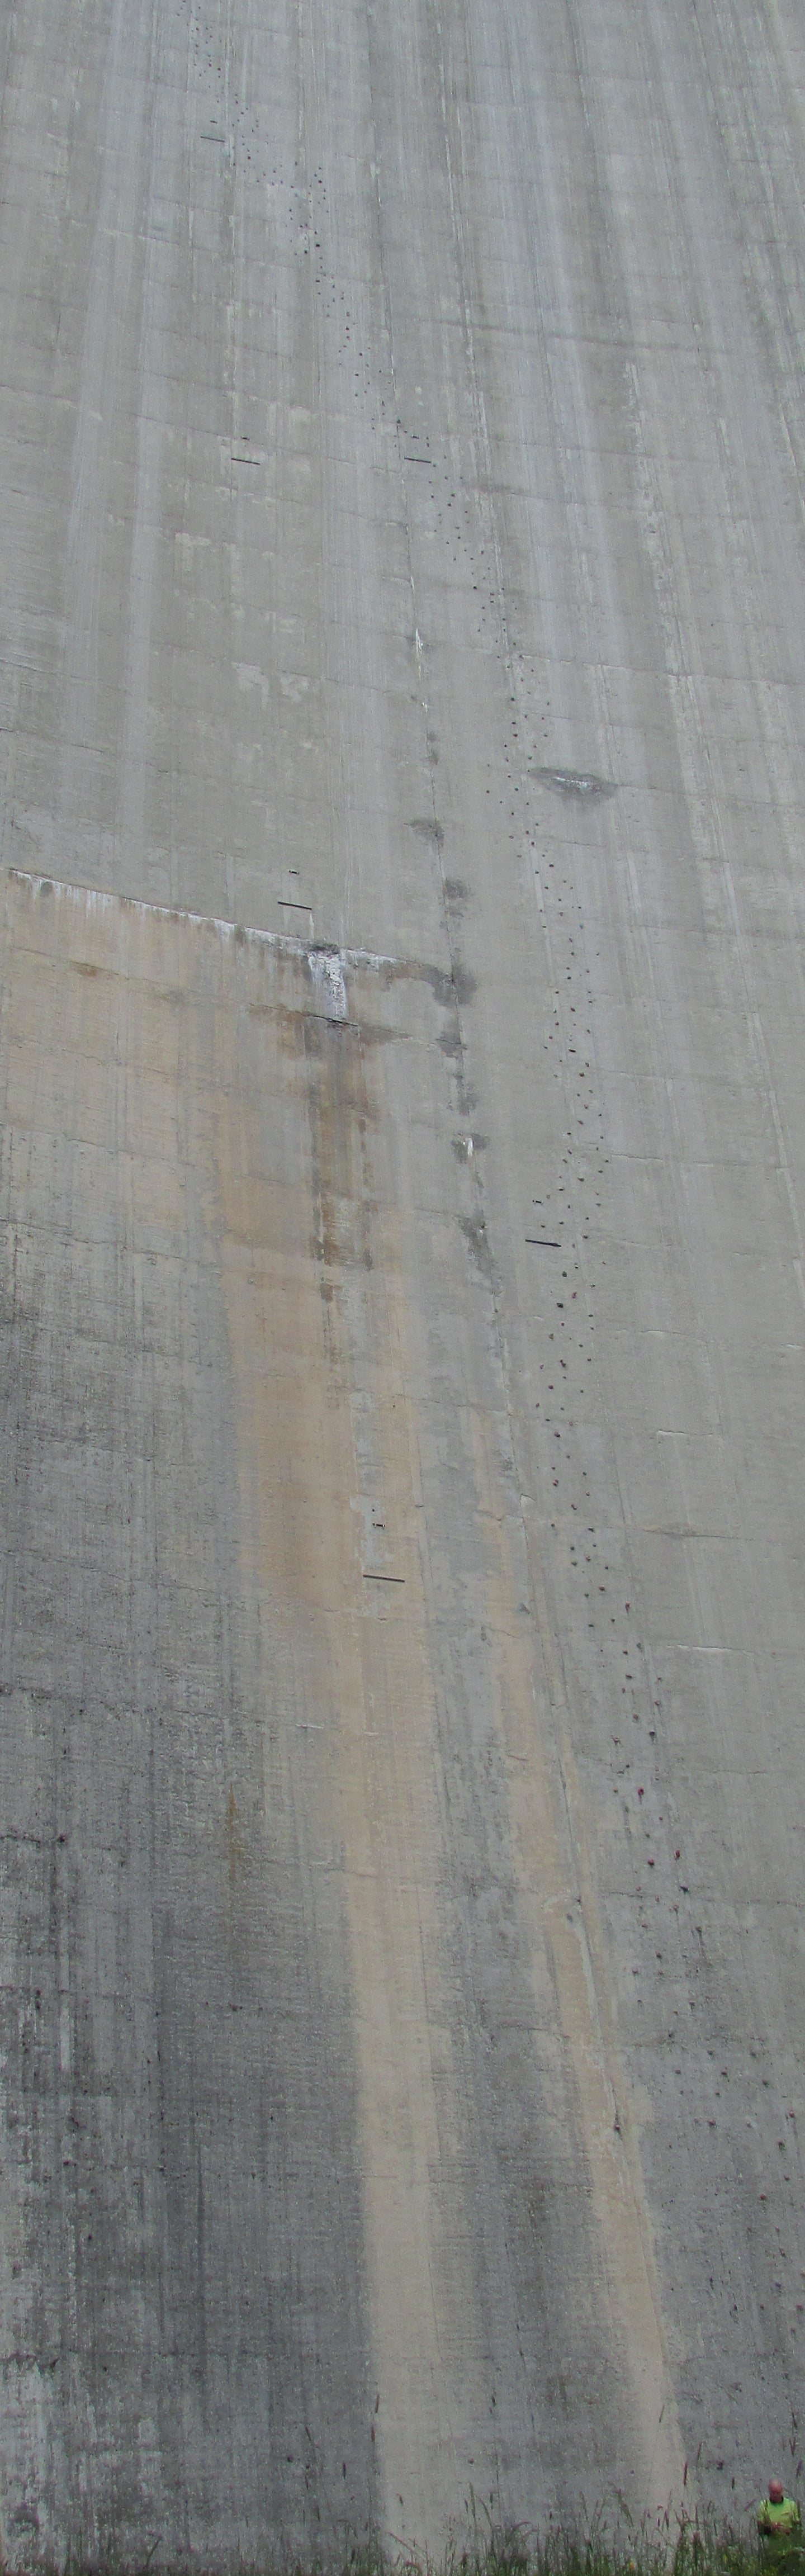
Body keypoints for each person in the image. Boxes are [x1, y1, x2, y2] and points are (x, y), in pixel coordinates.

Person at [758, 2482, 803, 2568]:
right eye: (773, 2493)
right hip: (773, 2554)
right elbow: (760, 2531)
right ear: (769, 2492)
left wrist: (787, 2530)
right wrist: (771, 2528)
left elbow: (798, 2529)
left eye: (778, 2493)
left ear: (782, 2492)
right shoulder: (764, 2506)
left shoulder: (791, 2505)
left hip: (790, 2552)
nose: (775, 2495)